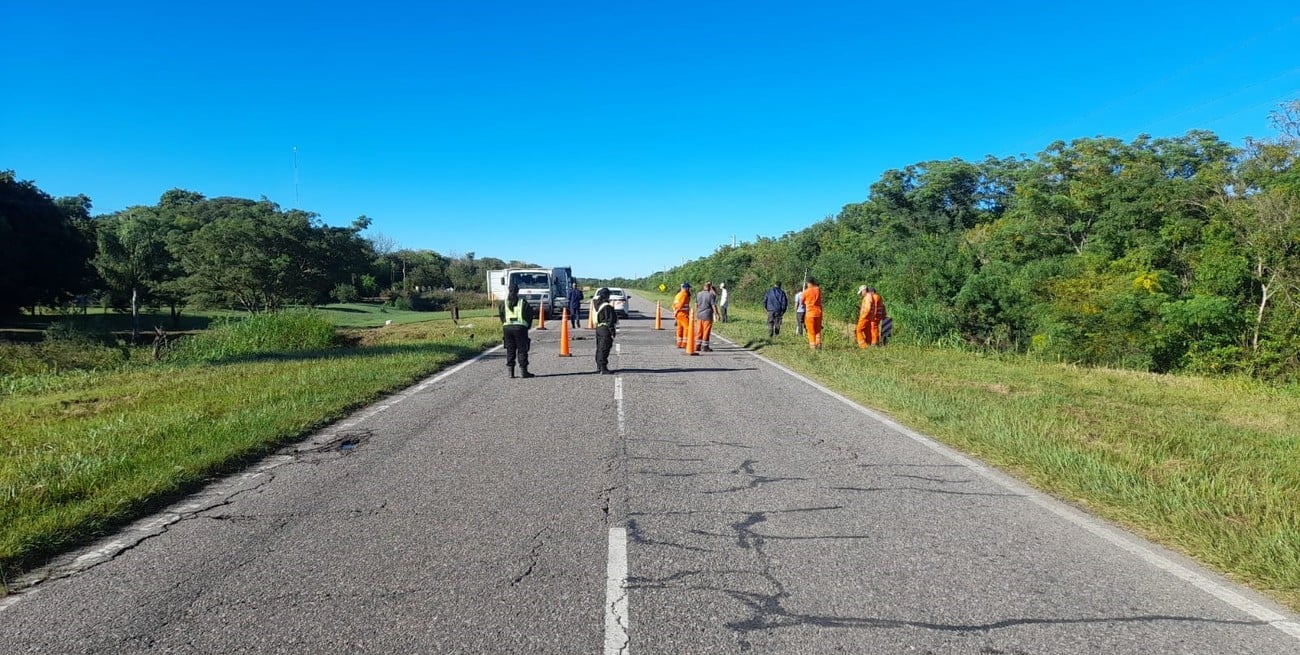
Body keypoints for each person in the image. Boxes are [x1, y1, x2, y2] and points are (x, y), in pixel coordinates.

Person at [498, 283, 536, 378]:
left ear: (509, 290)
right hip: (520, 328)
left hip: (507, 328)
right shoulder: (523, 302)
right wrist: (527, 326)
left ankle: (510, 373)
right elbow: (530, 315)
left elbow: (501, 315)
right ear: (518, 291)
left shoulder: (504, 303)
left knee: (510, 349)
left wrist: (505, 323)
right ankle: (524, 372)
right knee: (522, 349)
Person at [593, 287, 619, 374]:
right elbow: (610, 320)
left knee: (599, 348)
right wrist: (612, 331)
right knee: (604, 348)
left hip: (598, 328)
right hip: (605, 329)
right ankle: (603, 368)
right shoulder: (607, 306)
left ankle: (599, 366)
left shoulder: (597, 304)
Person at [694, 282, 719, 352]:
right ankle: (705, 346)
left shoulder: (698, 294)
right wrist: (716, 314)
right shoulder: (710, 295)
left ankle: (697, 345)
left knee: (699, 330)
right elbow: (713, 305)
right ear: (710, 287)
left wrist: (696, 313)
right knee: (706, 331)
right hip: (707, 315)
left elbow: (696, 304)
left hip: (699, 315)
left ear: (703, 287)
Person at [802, 277, 823, 349]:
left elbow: (802, 301)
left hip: (810, 313)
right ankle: (819, 344)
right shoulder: (818, 289)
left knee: (811, 331)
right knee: (818, 330)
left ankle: (813, 347)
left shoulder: (806, 292)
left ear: (807, 283)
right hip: (818, 312)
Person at [672, 282, 692, 348]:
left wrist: (675, 312)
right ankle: (684, 343)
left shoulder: (678, 294)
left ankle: (679, 343)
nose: (689, 289)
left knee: (679, 328)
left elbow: (674, 304)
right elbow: (681, 304)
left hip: (678, 314)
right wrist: (676, 311)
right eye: (688, 288)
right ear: (686, 288)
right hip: (683, 314)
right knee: (687, 328)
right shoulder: (684, 294)